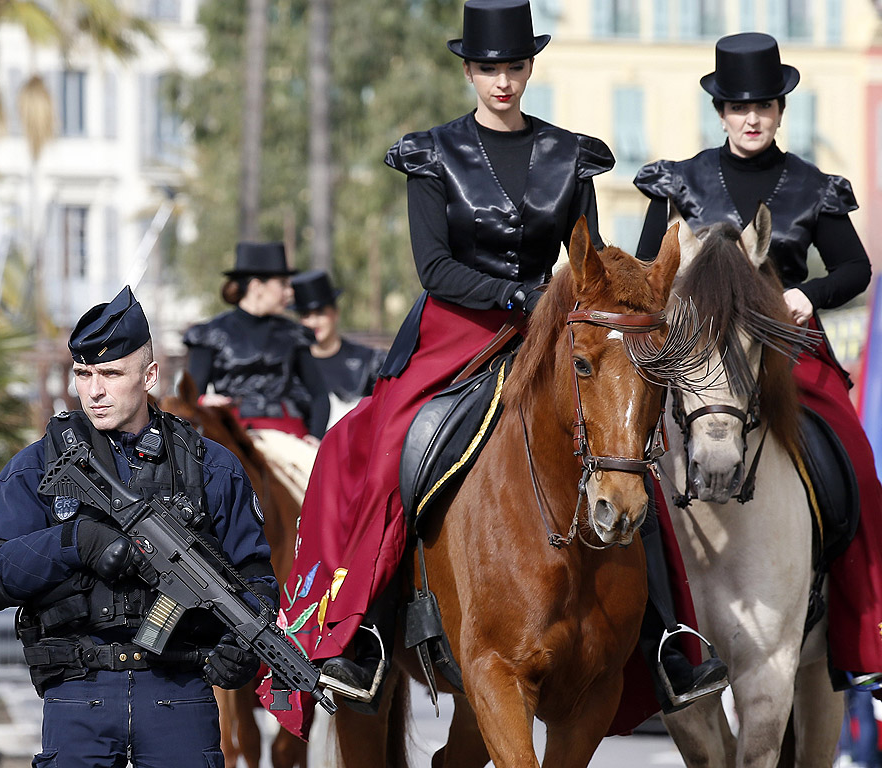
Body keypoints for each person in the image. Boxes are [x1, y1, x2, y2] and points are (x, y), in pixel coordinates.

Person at [261, 0, 723, 735]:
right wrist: (520, 293)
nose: (501, 79)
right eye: (487, 68)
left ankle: (669, 638)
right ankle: (364, 636)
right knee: (375, 446)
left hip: (560, 333)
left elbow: (587, 258)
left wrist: (575, 300)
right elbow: (433, 266)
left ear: (529, 67)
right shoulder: (432, 153)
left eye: (513, 66)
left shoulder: (573, 153)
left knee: (628, 454)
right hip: (456, 329)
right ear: (469, 70)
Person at [634, 31, 882, 687]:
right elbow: (646, 272)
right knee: (619, 455)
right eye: (740, 107)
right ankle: (639, 632)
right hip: (694, 360)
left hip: (789, 355)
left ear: (779, 111)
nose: (752, 118)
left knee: (858, 465)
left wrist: (808, 294)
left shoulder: (811, 186)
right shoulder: (678, 183)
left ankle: (866, 637)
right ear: (720, 111)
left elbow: (855, 268)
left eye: (765, 106)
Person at [0, 286, 276, 767]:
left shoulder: (211, 467)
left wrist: (242, 652)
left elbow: (255, 580)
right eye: (83, 373)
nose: (93, 390)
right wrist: (75, 542)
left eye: (111, 374)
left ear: (150, 375)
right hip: (77, 694)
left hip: (179, 695)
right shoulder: (41, 465)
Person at [182, 242, 329, 501]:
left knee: (328, 489)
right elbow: (190, 397)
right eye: (282, 283)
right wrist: (204, 401)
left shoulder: (295, 335)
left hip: (287, 437)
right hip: (231, 433)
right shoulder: (209, 334)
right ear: (257, 286)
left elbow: (319, 395)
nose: (289, 292)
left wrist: (314, 437)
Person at [290, 269, 387, 428]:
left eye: (320, 313)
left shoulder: (370, 361)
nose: (313, 322)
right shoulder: (291, 366)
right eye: (306, 315)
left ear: (335, 313)